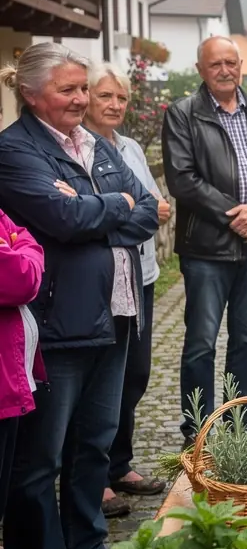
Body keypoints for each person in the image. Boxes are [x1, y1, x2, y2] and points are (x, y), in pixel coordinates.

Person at [0, 44, 159, 549]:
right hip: (59, 324)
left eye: (82, 88)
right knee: (41, 457)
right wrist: (108, 207)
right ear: (32, 93)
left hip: (115, 312)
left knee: (95, 440)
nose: (80, 99)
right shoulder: (15, 151)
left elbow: (147, 211)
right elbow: (61, 221)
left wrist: (100, 206)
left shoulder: (94, 144)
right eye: (68, 90)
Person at [162, 36, 247, 440]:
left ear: (239, 66)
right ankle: (197, 426)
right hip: (206, 249)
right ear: (201, 70)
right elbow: (182, 180)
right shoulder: (182, 114)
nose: (225, 70)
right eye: (215, 64)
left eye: (231, 63)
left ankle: (242, 423)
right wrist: (234, 216)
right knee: (201, 341)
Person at [84, 62, 170, 518]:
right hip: (102, 281)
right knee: (100, 382)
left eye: (120, 97)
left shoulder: (131, 146)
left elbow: (156, 207)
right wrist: (131, 209)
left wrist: (133, 208)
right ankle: (93, 479)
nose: (115, 105)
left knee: (134, 374)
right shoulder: (80, 148)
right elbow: (105, 214)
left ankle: (119, 464)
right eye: (105, 96)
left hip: (143, 274)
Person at [0, 207, 59, 549]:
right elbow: (18, 274)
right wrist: (21, 250)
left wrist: (20, 247)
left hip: (7, 386)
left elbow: (26, 245)